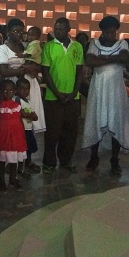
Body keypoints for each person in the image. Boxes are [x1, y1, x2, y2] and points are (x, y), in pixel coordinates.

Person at [82, 16, 129, 175]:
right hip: (98, 89)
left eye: (113, 29)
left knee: (115, 121)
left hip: (116, 91)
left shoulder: (122, 43)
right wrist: (113, 59)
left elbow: (124, 58)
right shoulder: (94, 43)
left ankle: (114, 159)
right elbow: (90, 60)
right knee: (96, 119)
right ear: (102, 30)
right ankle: (94, 156)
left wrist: (104, 57)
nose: (111, 32)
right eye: (107, 29)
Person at [41, 17, 83, 174]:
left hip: (73, 97)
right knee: (52, 132)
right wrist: (57, 93)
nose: (56, 31)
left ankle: (66, 160)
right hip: (53, 97)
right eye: (55, 28)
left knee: (70, 132)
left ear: (68, 30)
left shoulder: (77, 46)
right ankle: (49, 162)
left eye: (60, 29)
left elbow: (79, 72)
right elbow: (45, 72)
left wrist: (74, 92)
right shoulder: (48, 47)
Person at [0, 19, 45, 136]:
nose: (19, 34)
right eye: (16, 31)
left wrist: (34, 68)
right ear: (8, 32)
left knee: (30, 122)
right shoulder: (2, 48)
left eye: (21, 32)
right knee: (17, 122)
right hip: (14, 87)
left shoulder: (26, 46)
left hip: (30, 86)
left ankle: (27, 149)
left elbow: (39, 64)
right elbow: (4, 71)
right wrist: (24, 70)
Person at [0, 79, 28, 191]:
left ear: (15, 91)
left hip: (16, 137)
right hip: (3, 137)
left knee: (13, 160)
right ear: (1, 92)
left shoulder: (17, 105)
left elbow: (21, 121)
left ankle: (13, 179)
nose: (8, 93)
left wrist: (23, 137)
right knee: (2, 160)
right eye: (5, 91)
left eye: (11, 91)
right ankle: (1, 181)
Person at [15, 77, 40, 176]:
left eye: (27, 89)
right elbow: (21, 113)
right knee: (22, 149)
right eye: (22, 89)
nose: (25, 91)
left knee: (29, 147)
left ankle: (28, 162)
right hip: (21, 130)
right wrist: (29, 115)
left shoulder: (28, 102)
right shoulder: (17, 100)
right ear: (17, 90)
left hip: (28, 129)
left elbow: (34, 116)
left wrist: (33, 116)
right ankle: (19, 168)